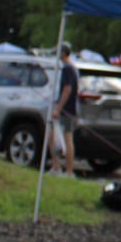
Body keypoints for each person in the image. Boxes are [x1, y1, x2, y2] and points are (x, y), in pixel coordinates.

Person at [50, 42, 79, 177]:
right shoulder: (72, 67)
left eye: (58, 51)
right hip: (70, 110)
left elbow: (67, 90)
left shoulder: (67, 68)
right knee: (56, 137)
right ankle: (59, 168)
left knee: (66, 140)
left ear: (63, 53)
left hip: (66, 110)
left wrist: (58, 108)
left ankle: (67, 171)